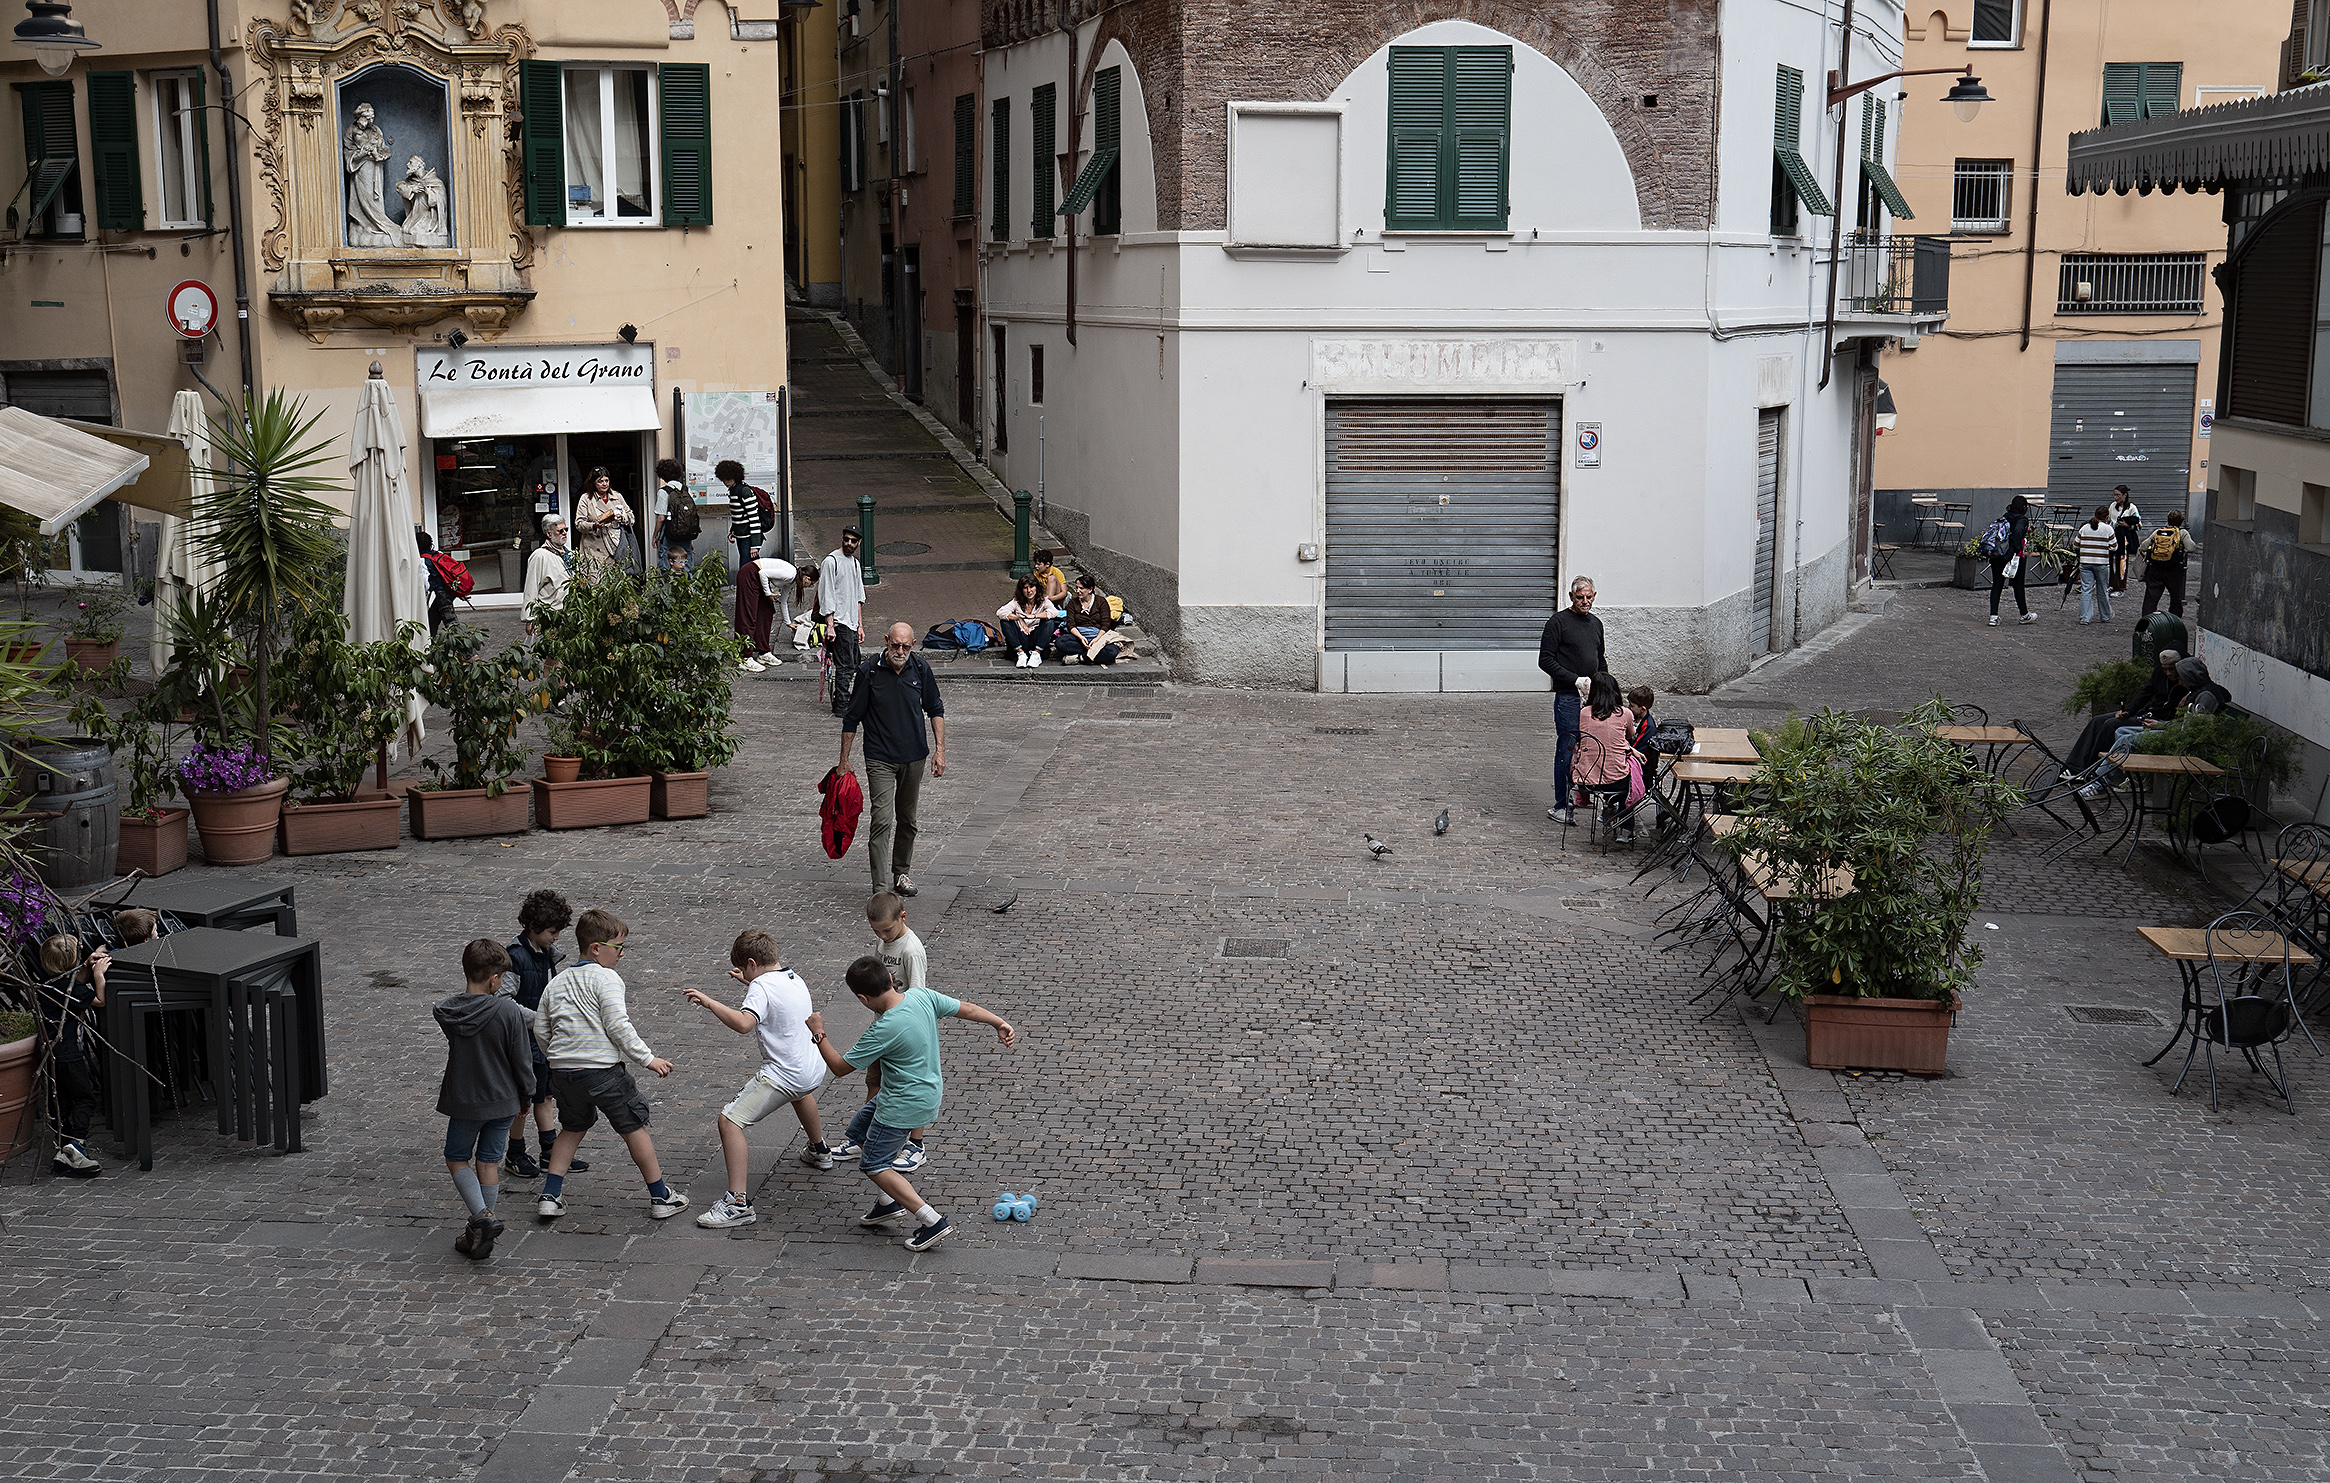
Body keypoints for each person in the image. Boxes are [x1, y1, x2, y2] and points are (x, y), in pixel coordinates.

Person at [804, 955, 1017, 1252]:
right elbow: (966, 1009)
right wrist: (999, 1023)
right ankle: (887, 1203)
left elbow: (839, 1068)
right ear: (891, 979)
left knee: (874, 1164)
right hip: (925, 1093)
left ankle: (931, 1220)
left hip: (901, 1106)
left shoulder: (884, 1028)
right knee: (859, 1132)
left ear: (863, 998)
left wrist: (818, 1031)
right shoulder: (922, 996)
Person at [532, 909, 684, 1221]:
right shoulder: (607, 978)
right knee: (633, 1126)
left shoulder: (557, 982)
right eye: (618, 947)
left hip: (563, 1073)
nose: (622, 953)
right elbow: (618, 1025)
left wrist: (556, 1057)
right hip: (602, 1071)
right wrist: (647, 1058)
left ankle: (550, 1194)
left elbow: (541, 1029)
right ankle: (660, 1196)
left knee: (572, 1127)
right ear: (596, 948)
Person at [684, 930, 839, 1230]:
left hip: (785, 1074)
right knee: (801, 1094)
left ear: (752, 963)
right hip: (812, 1070)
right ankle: (819, 1150)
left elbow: (744, 1024)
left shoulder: (761, 988)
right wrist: (750, 982)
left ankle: (736, 1204)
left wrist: (709, 1002)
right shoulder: (793, 978)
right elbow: (774, 997)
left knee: (729, 1121)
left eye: (745, 970)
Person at [436, 939, 534, 1260]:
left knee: (456, 1156)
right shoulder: (507, 1010)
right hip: (505, 1100)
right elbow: (521, 1060)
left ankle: (483, 1220)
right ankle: (484, 1222)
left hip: (466, 1100)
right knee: (488, 1160)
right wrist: (527, 1095)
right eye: (502, 977)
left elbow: (445, 1007)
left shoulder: (450, 1012)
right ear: (494, 979)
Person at [840, 621, 947, 899]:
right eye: (894, 645)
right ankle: (879, 887)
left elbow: (935, 709)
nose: (899, 651)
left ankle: (901, 872)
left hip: (914, 757)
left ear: (913, 645)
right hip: (880, 757)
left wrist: (940, 750)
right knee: (883, 819)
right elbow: (852, 718)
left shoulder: (921, 669)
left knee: (908, 820)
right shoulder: (870, 671)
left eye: (905, 646)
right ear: (886, 641)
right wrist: (843, 760)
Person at [834, 890, 932, 1172]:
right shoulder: (883, 940)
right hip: (883, 1025)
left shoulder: (912, 950)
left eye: (888, 930)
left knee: (909, 1084)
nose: (884, 936)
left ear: (903, 917)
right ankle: (865, 1137)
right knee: (874, 1080)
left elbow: (918, 994)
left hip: (902, 1031)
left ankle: (916, 1143)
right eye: (877, 931)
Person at [502, 889, 585, 1182]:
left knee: (545, 1094)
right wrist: (539, 1019)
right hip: (523, 1040)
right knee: (522, 1100)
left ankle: (550, 1149)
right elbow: (503, 1001)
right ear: (534, 927)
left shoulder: (545, 954)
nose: (557, 938)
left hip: (541, 1041)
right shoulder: (515, 958)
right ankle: (514, 1151)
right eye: (552, 931)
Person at [35, 934, 107, 1180]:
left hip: (48, 1053)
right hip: (68, 1054)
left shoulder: (46, 983)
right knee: (84, 1099)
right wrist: (98, 976)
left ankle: (63, 1149)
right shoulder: (71, 990)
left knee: (61, 1103)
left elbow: (72, 984)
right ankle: (76, 1147)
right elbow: (99, 1000)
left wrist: (86, 967)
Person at [1537, 576, 1607, 826]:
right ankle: (1562, 805)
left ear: (1595, 596)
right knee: (1567, 747)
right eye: (1580, 598)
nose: (1585, 602)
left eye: (1589, 597)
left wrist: (1605, 689)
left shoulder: (1596, 624)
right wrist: (1574, 679)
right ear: (1570, 597)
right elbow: (1545, 660)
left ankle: (1583, 796)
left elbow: (1600, 661)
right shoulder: (1558, 622)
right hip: (1568, 696)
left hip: (1592, 698)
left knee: (1593, 746)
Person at [2061, 648, 2182, 778]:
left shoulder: (2185, 681)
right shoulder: (2159, 674)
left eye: (2171, 669)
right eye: (2165, 669)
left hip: (2157, 721)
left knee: (2111, 724)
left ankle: (2091, 769)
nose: (2168, 673)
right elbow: (2145, 693)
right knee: (2097, 720)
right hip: (2148, 714)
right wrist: (2128, 711)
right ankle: (2072, 767)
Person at [1572, 672, 1637, 839]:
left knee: (1604, 764)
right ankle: (1626, 830)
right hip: (1615, 781)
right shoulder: (1625, 713)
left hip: (1587, 780)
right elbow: (1630, 735)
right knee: (1628, 782)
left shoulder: (1584, 713)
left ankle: (1609, 806)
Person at [821, 526, 868, 716]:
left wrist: (860, 626)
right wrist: (830, 625)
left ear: (859, 543)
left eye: (853, 541)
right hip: (839, 623)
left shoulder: (855, 564)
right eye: (846, 539)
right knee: (845, 665)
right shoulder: (831, 562)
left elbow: (858, 597)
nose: (849, 543)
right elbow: (826, 595)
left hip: (851, 623)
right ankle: (841, 704)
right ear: (842, 538)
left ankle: (843, 700)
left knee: (851, 664)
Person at [716, 458, 775, 577]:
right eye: (724, 479)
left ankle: (751, 592)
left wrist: (755, 545)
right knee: (753, 568)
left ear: (735, 477)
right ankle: (759, 592)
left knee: (746, 569)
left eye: (728, 479)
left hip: (748, 538)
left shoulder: (745, 492)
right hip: (742, 536)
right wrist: (733, 531)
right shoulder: (734, 491)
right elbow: (738, 516)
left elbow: (754, 519)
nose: (725, 482)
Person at [573, 467, 634, 581]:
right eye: (600, 481)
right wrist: (593, 526)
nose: (604, 484)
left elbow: (631, 517)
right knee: (596, 584)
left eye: (606, 480)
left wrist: (622, 518)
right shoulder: (586, 499)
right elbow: (579, 523)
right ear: (593, 483)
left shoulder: (617, 497)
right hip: (594, 548)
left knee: (615, 585)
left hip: (615, 546)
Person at [736, 553, 794, 672]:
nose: (809, 586)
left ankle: (763, 652)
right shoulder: (790, 575)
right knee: (748, 616)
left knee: (766, 612)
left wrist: (788, 623)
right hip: (750, 574)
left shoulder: (791, 581)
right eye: (811, 583)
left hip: (759, 579)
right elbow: (763, 573)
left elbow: (783, 601)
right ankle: (745, 658)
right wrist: (768, 593)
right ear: (807, 578)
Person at [1985, 495, 2037, 627]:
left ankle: (1993, 616)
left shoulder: (2005, 517)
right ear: (2024, 507)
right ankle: (2024, 614)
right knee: (2018, 585)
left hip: (1997, 555)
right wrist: (2016, 549)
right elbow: (2018, 534)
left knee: (1997, 584)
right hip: (2014, 557)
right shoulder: (2022, 520)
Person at [2139, 510, 2199, 619]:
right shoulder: (2182, 533)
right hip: (2174, 570)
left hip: (2155, 569)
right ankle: (2174, 622)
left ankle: (2147, 622)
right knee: (2176, 598)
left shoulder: (2158, 531)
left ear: (2168, 520)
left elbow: (2143, 546)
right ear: (2181, 522)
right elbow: (2191, 547)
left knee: (2151, 598)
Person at [1051, 573, 1123, 665]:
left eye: (1081, 588)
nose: (1077, 591)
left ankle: (1081, 658)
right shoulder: (1073, 603)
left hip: (1098, 635)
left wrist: (1096, 640)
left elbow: (1106, 624)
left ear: (1090, 589)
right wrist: (1081, 638)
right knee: (1060, 642)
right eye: (1077, 588)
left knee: (1112, 651)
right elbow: (1070, 624)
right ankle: (1093, 654)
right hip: (1079, 635)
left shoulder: (1101, 601)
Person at [523, 515, 572, 633]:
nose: (564, 533)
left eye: (566, 529)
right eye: (560, 531)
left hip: (570, 614)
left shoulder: (570, 553)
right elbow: (531, 587)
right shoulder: (540, 556)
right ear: (549, 534)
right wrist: (530, 618)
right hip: (551, 614)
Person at [997, 576, 1060, 668]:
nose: (1029, 591)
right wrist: (1018, 618)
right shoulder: (1016, 602)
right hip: (1022, 638)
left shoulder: (1044, 601)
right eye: (1025, 588)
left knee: (1049, 622)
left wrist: (1034, 616)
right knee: (1005, 621)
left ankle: (1036, 654)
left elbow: (1054, 612)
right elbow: (1000, 612)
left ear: (1036, 588)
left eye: (1031, 587)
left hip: (1036, 638)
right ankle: (1021, 654)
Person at [650, 457, 697, 570]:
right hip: (685, 533)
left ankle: (669, 586)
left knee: (668, 563)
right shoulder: (686, 490)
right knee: (686, 563)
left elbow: (661, 517)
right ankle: (687, 586)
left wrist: (655, 535)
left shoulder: (664, 491)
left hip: (669, 533)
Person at [2075, 505, 2117, 626]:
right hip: (2101, 563)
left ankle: (2084, 617)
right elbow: (2114, 547)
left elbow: (2076, 544)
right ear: (2107, 517)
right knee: (2102, 589)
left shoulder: (2085, 528)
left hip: (2085, 562)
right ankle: (2105, 615)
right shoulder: (2108, 529)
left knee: (2086, 589)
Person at [417, 528, 457, 636]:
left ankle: (469, 652)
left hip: (442, 593)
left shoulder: (422, 560)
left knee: (451, 623)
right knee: (432, 619)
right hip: (449, 590)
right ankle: (431, 645)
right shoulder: (437, 553)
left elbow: (426, 584)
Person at [2107, 485, 2142, 593]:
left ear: (2125, 495)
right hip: (2113, 537)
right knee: (2110, 560)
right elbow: (2108, 520)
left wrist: (2127, 525)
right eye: (2115, 495)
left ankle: (2121, 586)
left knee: (2122, 561)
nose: (2115, 498)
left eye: (2118, 495)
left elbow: (2139, 525)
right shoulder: (2112, 506)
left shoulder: (2131, 508)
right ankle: (2112, 583)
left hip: (2124, 539)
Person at [1624, 685, 1659, 765]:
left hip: (1641, 764)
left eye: (1632, 706)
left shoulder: (1648, 726)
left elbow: (1638, 748)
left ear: (1642, 709)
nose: (1629, 707)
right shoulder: (1634, 717)